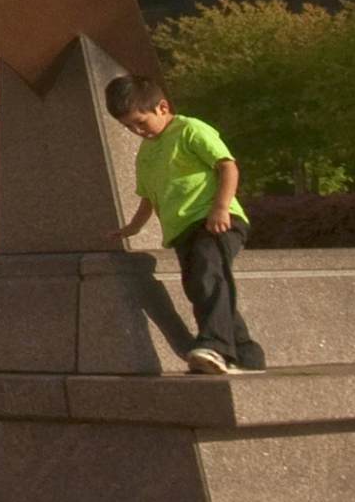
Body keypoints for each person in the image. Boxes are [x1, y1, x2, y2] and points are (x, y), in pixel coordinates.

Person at [109, 75, 266, 375]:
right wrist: (133, 227)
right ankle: (247, 353)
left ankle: (215, 346)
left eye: (141, 122)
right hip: (182, 230)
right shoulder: (146, 152)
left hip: (216, 220)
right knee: (201, 287)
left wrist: (220, 208)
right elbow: (149, 197)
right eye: (128, 127)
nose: (137, 131)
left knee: (209, 276)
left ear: (162, 107)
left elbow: (227, 166)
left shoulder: (190, 129)